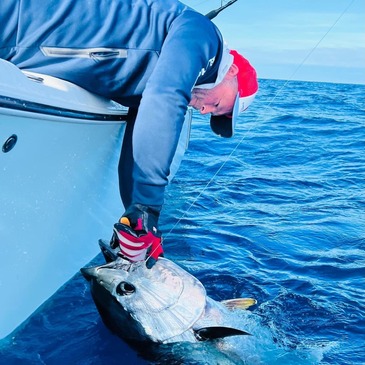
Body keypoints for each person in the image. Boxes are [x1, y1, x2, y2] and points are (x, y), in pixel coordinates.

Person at [1, 0, 258, 267]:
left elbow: (138, 147)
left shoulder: (152, 83)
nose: (205, 111)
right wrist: (148, 209)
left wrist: (135, 216)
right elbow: (166, 97)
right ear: (232, 71)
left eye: (212, 114)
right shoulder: (204, 32)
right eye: (218, 105)